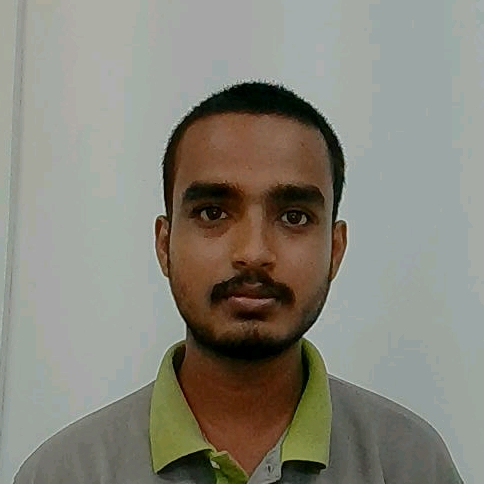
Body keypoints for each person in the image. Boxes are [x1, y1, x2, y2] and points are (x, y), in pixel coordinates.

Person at [14, 81, 464, 483]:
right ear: (164, 245)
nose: (253, 251)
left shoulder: (410, 465)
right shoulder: (64, 472)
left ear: (335, 248)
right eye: (212, 212)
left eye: (294, 217)